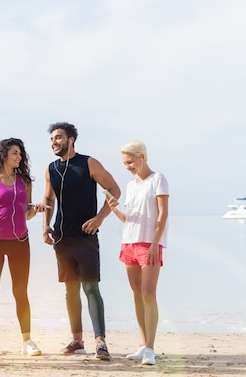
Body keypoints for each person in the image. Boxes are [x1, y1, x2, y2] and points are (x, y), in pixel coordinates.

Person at [42, 122, 121, 360]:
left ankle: (101, 342)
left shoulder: (89, 163)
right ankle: (77, 341)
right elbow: (47, 199)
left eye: (58, 138)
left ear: (71, 139)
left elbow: (114, 191)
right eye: (52, 139)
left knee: (90, 287)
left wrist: (100, 218)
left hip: (86, 237)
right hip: (62, 238)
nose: (54, 142)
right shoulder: (51, 169)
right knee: (70, 290)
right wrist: (45, 226)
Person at [0, 138, 48, 356]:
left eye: (20, 153)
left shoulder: (24, 181)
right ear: (4, 154)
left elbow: (26, 213)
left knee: (20, 292)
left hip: (20, 242)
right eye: (15, 153)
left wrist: (37, 209)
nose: (19, 157)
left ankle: (27, 342)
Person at [103, 140, 169, 366]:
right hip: (128, 243)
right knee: (137, 294)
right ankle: (143, 344)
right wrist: (114, 210)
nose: (128, 166)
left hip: (149, 245)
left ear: (142, 157)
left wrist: (154, 244)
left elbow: (162, 215)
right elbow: (129, 219)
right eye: (125, 163)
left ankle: (151, 348)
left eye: (130, 162)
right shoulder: (131, 185)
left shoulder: (158, 179)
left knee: (149, 294)